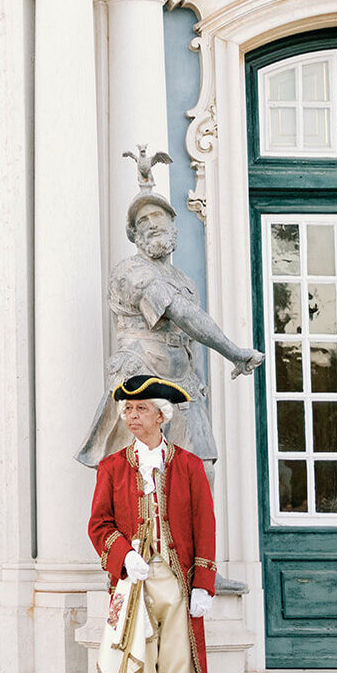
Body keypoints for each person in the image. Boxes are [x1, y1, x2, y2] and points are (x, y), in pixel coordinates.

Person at [78, 173, 263, 472]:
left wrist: (200, 384)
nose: (152, 224)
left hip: (184, 383)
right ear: (134, 235)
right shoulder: (130, 271)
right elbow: (181, 314)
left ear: (173, 226)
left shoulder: (184, 281)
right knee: (141, 475)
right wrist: (234, 352)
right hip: (143, 377)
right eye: (142, 221)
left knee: (203, 470)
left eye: (158, 216)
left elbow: (191, 338)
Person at [88, 375, 217, 673]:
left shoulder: (191, 466)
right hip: (135, 583)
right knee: (137, 659)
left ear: (162, 415)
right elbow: (99, 525)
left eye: (140, 408)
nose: (131, 416)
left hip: (177, 581)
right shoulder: (111, 468)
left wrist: (203, 584)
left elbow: (205, 526)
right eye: (127, 409)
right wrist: (124, 556)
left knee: (179, 662)